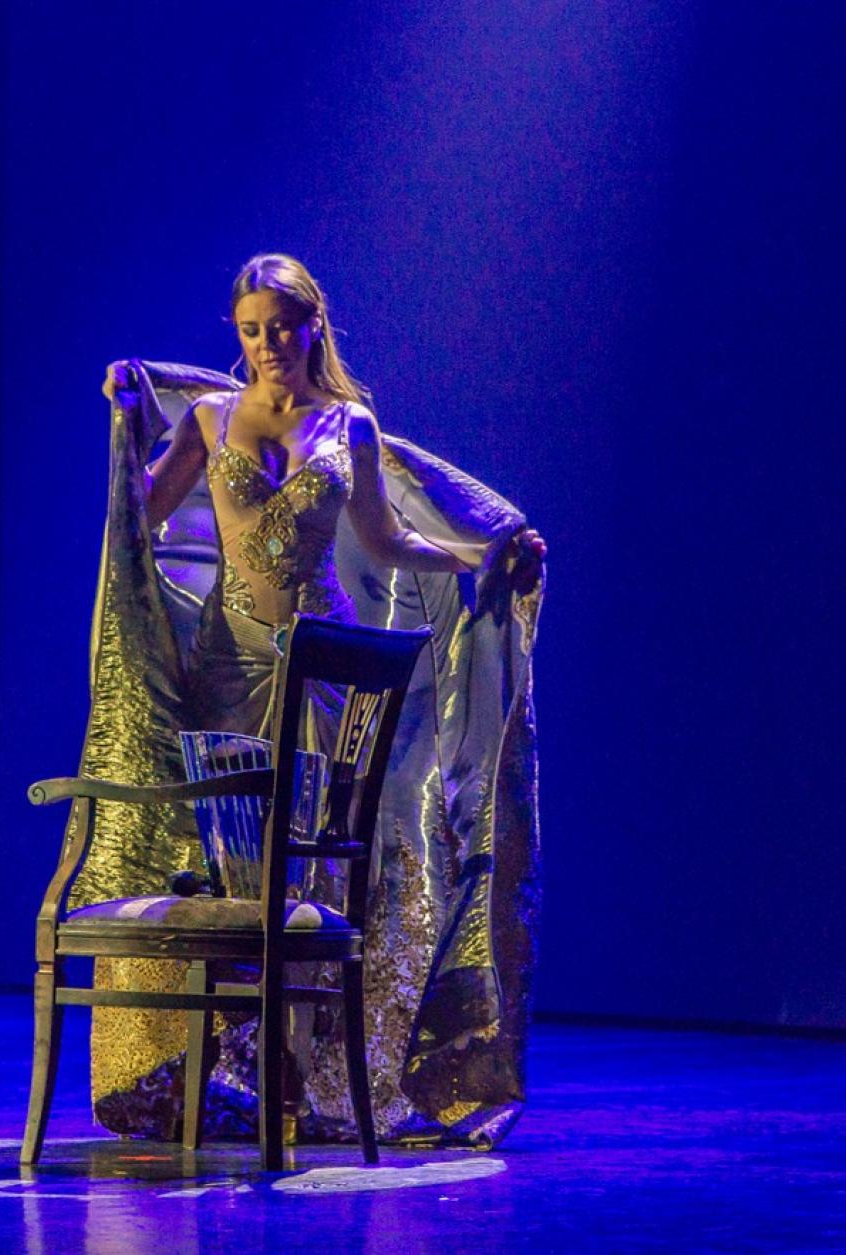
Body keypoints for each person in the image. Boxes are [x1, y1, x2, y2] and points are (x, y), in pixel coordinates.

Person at [70, 254, 545, 1148]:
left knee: (313, 868)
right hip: (229, 667)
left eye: (281, 327)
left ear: (313, 325)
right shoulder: (211, 418)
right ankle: (229, 1065)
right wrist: (128, 421)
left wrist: (475, 555)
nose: (267, 345)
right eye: (251, 331)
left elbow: (386, 538)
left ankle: (297, 1070)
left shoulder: (349, 424)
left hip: (322, 669)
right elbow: (141, 516)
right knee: (229, 860)